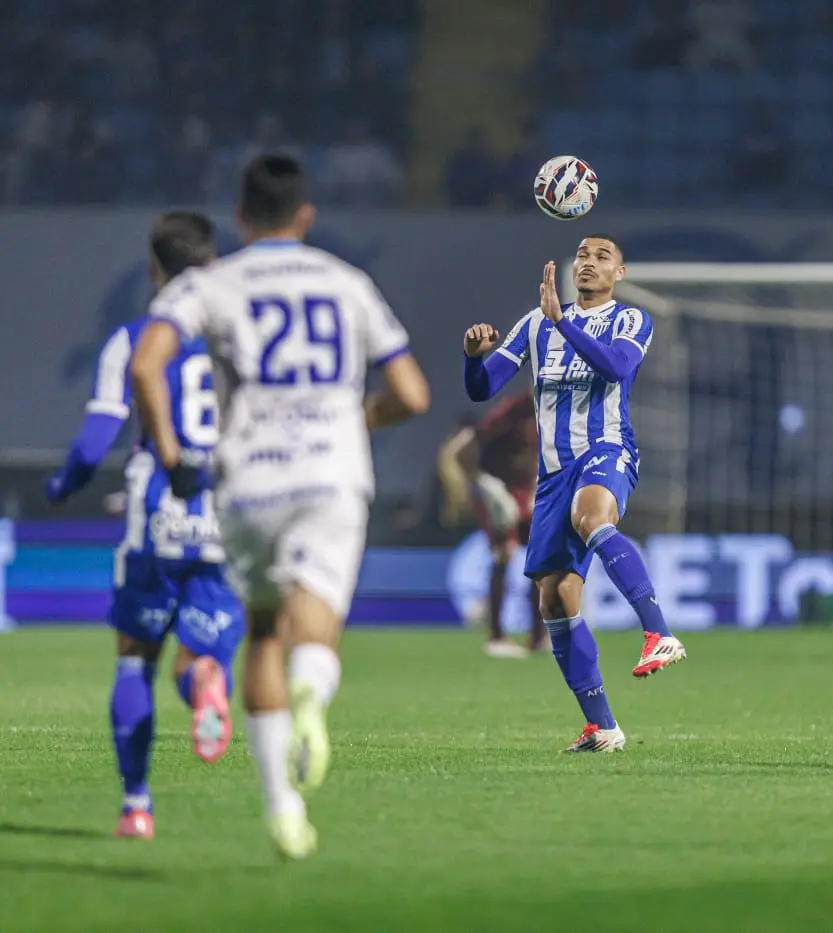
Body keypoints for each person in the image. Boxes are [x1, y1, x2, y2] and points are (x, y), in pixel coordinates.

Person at [129, 154, 430, 859]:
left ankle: (280, 805)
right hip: (330, 471)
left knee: (262, 627)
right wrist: (355, 417)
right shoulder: (346, 281)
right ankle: (310, 694)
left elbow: (147, 363)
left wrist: (172, 454)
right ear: (305, 216)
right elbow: (413, 394)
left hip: (246, 479)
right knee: (314, 613)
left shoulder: (212, 282)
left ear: (238, 216)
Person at [45, 211, 244, 840]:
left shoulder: (135, 338)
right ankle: (206, 678)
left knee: (134, 659)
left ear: (154, 271)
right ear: (212, 264)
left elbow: (94, 439)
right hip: (227, 509)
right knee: (199, 650)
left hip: (159, 502)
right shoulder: (238, 338)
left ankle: (136, 806)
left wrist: (64, 484)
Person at [462, 235, 686, 753]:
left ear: (620, 272)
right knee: (555, 598)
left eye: (602, 257)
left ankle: (659, 633)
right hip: (552, 473)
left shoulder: (629, 320)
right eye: (583, 255)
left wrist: (563, 324)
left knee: (592, 516)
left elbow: (616, 368)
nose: (589, 263)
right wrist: (473, 357)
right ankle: (602, 727)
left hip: (606, 450)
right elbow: (482, 387)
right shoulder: (537, 321)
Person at [444, 391, 547, 658]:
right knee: (504, 553)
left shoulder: (558, 411)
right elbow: (463, 451)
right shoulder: (513, 410)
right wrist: (488, 487)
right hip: (500, 491)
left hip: (528, 490)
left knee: (542, 557)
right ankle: (496, 636)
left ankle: (538, 636)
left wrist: (538, 487)